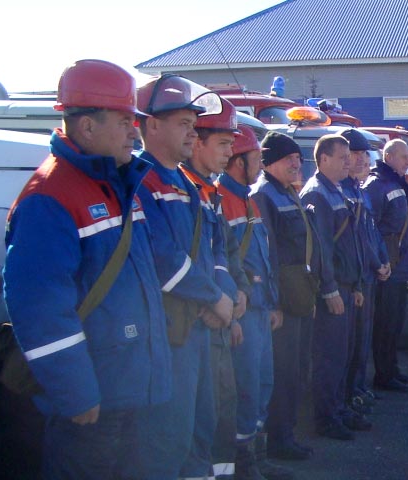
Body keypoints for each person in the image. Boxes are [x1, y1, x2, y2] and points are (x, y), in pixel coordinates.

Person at [3, 59, 172, 479]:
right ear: (87, 126)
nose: (134, 131)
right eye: (124, 120)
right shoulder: (50, 197)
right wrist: (75, 393)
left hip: (129, 390)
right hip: (92, 404)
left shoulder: (117, 183)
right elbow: (39, 309)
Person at [135, 74, 235, 480]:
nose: (193, 132)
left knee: (200, 428)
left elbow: (212, 250)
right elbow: (162, 256)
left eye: (194, 124)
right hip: (168, 332)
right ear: (151, 125)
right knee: (168, 438)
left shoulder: (185, 182)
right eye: (183, 124)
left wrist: (220, 294)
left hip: (197, 327)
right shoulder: (141, 180)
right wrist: (214, 298)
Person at [179, 97, 252, 479]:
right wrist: (215, 300)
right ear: (198, 143)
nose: (229, 153)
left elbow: (225, 253)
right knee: (196, 422)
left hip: (219, 319)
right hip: (195, 326)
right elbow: (175, 262)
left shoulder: (210, 193)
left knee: (221, 410)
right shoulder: (181, 192)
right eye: (223, 144)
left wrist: (239, 293)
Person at [217, 125, 294, 480]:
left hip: (261, 310)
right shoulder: (220, 200)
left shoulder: (248, 200)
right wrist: (234, 315)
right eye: (255, 158)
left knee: (263, 384)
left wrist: (274, 303)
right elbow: (224, 263)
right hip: (243, 311)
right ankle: (242, 465)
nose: (260, 165)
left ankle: (256, 457)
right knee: (245, 389)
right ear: (238, 162)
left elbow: (264, 257)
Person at [251, 132, 317, 461]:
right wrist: (274, 301)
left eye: (297, 158)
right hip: (284, 298)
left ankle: (288, 432)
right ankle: (279, 439)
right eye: (289, 159)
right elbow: (267, 253)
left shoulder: (286, 191)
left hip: (298, 293)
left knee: (298, 367)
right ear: (270, 161)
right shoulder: (264, 195)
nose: (296, 163)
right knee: (283, 371)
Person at [300, 134, 370, 440]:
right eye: (342, 157)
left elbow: (350, 243)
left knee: (343, 354)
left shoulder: (336, 190)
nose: (348, 162)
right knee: (329, 357)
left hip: (346, 285)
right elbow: (322, 249)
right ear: (323, 159)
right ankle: (326, 417)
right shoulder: (317, 194)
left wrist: (355, 284)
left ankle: (339, 409)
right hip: (333, 289)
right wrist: (329, 289)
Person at [363, 139, 408, 391]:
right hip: (388, 269)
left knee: (396, 324)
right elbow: (370, 228)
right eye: (403, 157)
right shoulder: (377, 185)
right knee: (385, 325)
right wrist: (380, 261)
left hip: (401, 267)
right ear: (388, 157)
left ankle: (392, 369)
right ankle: (383, 375)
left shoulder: (397, 183)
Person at [339, 129, 391, 414]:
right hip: (355, 277)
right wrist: (376, 262)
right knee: (349, 343)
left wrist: (383, 258)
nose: (362, 160)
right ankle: (348, 395)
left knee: (363, 338)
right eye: (355, 154)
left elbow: (372, 231)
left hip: (368, 275)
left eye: (364, 154)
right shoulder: (341, 191)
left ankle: (358, 388)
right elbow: (356, 238)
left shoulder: (358, 190)